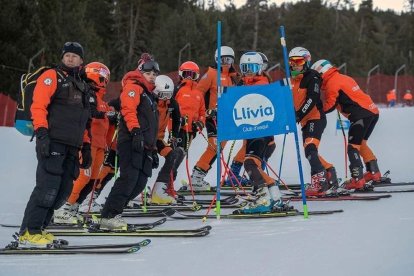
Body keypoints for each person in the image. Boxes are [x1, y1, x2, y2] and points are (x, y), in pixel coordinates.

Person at [18, 42, 92, 247]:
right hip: (53, 141)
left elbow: (85, 120)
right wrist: (41, 132)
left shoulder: (83, 85)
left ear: (81, 60)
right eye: (67, 55)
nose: (70, 59)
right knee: (47, 188)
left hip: (72, 145)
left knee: (62, 191)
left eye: (74, 56)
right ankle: (28, 232)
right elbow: (38, 105)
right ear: (62, 57)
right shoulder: (52, 76)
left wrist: (86, 145)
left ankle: (40, 228)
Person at [99, 54, 160, 230]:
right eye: (149, 73)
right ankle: (108, 215)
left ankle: (115, 211)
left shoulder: (149, 95)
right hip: (132, 140)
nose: (152, 76)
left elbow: (152, 125)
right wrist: (135, 131)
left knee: (140, 182)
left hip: (145, 145)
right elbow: (128, 109)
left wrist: (153, 148)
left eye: (155, 74)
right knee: (128, 178)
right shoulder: (134, 87)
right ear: (141, 71)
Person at [53, 62, 114, 223]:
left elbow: (103, 118)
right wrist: (107, 114)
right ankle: (63, 208)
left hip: (100, 144)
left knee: (93, 180)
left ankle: (74, 207)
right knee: (82, 178)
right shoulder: (87, 92)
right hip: (88, 142)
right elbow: (90, 112)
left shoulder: (100, 97)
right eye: (103, 76)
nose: (105, 79)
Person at [311, 59, 381, 188]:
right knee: (361, 143)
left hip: (361, 116)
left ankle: (357, 179)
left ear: (322, 72)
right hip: (372, 112)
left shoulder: (332, 83)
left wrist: (316, 110)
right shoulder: (343, 77)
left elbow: (330, 105)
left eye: (317, 75)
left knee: (353, 147)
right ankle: (373, 172)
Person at [235, 52, 286, 214]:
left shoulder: (262, 84)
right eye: (245, 68)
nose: (248, 72)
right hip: (253, 133)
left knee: (249, 163)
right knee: (255, 166)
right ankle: (274, 196)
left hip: (261, 133)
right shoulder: (243, 85)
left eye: (252, 68)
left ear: (260, 69)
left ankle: (262, 198)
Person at [289, 47, 338, 197]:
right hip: (305, 121)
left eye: (299, 61)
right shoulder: (292, 80)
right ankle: (329, 172)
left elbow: (312, 99)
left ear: (306, 61)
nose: (295, 65)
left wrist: (298, 114)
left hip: (315, 118)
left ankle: (320, 182)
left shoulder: (313, 77)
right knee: (310, 152)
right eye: (292, 62)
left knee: (310, 149)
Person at [189, 46, 239, 190]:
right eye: (223, 59)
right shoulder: (211, 74)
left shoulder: (233, 77)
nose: (226, 63)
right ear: (217, 59)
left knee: (219, 147)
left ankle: (198, 176)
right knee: (214, 146)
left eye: (229, 59)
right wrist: (204, 112)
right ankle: (196, 177)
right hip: (213, 118)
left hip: (227, 119)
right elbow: (198, 93)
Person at [151, 75, 183, 204]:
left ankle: (159, 191)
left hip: (158, 138)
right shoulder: (150, 101)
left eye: (168, 95)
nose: (165, 98)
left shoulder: (171, 103)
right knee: (144, 165)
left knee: (172, 155)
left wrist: (174, 135)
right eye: (162, 95)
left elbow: (177, 118)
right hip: (146, 138)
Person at [174, 61, 206, 191]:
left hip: (190, 131)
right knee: (176, 155)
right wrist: (177, 120)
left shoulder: (199, 93)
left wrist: (200, 123)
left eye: (191, 75)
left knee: (181, 155)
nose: (188, 78)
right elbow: (169, 108)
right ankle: (165, 183)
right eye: (186, 74)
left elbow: (202, 112)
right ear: (181, 75)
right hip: (178, 129)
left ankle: (169, 184)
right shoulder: (178, 90)